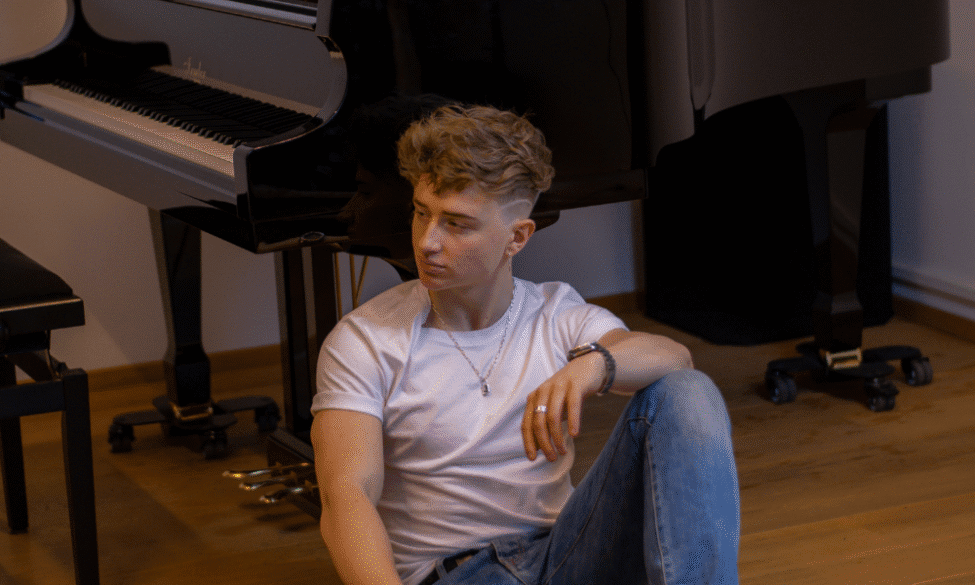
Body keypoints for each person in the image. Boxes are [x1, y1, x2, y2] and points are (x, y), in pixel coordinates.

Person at [311, 104, 740, 585]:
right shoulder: (365, 341)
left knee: (687, 391)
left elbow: (675, 360)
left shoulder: (556, 314)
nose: (427, 242)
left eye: (456, 223)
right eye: (421, 212)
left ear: (517, 237)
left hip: (567, 554)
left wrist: (593, 366)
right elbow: (346, 495)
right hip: (463, 575)